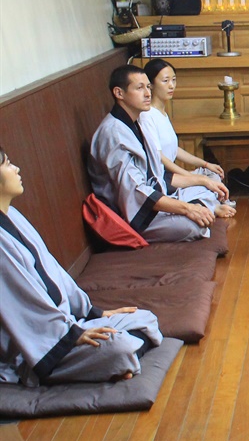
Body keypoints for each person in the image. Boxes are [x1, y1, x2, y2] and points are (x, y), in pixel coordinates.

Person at [0, 145, 162, 386]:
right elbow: (22, 306)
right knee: (118, 348)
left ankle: (111, 364)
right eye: (6, 164)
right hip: (36, 345)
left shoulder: (13, 215)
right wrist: (72, 336)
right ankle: (113, 361)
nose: (16, 168)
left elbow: (53, 271)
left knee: (144, 318)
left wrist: (94, 313)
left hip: (65, 325)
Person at [88, 65, 220, 242]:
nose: (148, 94)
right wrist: (187, 209)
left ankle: (204, 208)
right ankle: (202, 209)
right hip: (132, 215)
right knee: (191, 225)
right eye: (139, 88)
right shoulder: (114, 134)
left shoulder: (137, 122)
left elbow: (158, 174)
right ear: (119, 93)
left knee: (208, 188)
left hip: (156, 197)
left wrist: (203, 181)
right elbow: (137, 191)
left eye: (148, 87)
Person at [141, 59, 235, 219]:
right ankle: (211, 206)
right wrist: (191, 176)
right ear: (150, 84)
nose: (171, 85)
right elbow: (159, 157)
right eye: (165, 81)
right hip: (164, 177)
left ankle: (210, 201)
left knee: (213, 174)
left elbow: (173, 149)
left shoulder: (162, 112)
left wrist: (205, 164)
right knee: (204, 182)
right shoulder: (147, 115)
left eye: (174, 80)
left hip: (174, 175)